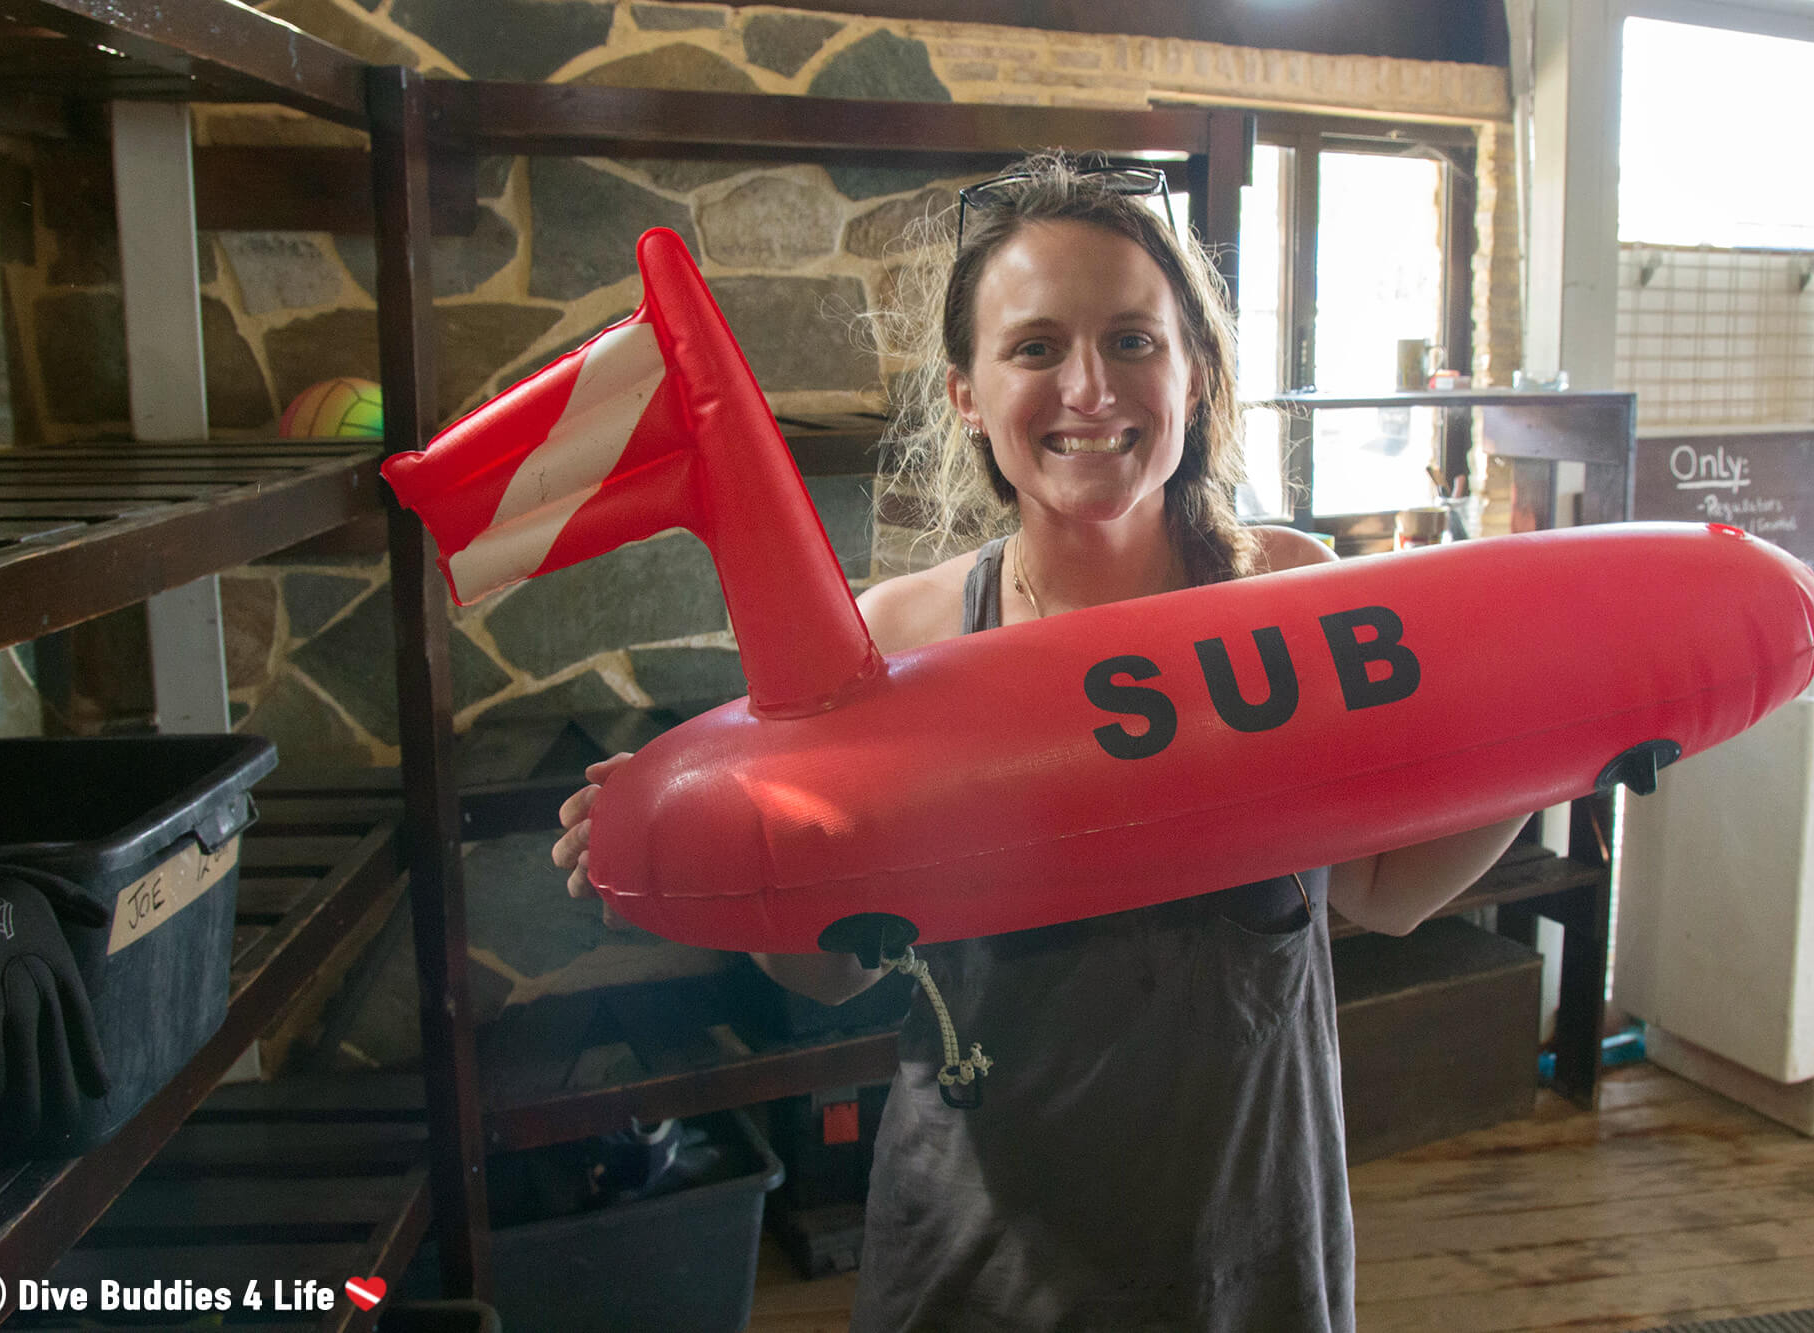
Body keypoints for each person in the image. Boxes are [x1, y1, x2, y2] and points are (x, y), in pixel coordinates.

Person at [552, 151, 1525, 1330]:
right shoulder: (891, 640)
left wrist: (1567, 737)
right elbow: (833, 967)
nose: (1088, 388)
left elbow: (1382, 890)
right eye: (1032, 347)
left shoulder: (1290, 593)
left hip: (1245, 1255)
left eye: (1131, 340)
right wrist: (695, 861)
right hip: (977, 1269)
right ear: (965, 390)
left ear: (1196, 371)